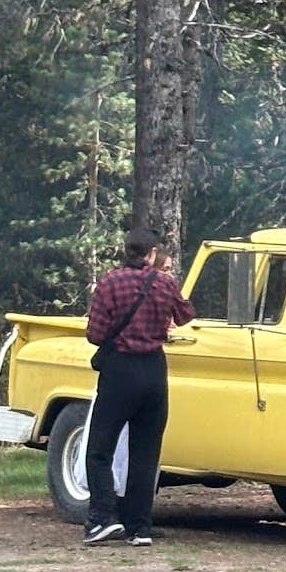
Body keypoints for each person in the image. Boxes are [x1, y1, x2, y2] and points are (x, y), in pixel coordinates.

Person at [80, 229, 194, 546]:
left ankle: (102, 518)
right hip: (155, 371)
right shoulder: (165, 283)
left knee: (99, 448)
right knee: (145, 452)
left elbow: (95, 334)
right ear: (152, 253)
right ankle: (140, 526)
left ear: (127, 251)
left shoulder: (110, 282)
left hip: (120, 371)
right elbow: (185, 316)